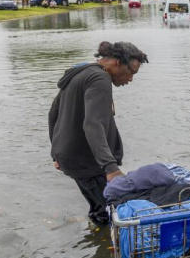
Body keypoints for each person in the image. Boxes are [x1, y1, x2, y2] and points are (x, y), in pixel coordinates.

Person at [49, 41, 149, 225]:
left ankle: (98, 246)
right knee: (113, 213)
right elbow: (93, 125)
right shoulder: (99, 79)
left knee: (99, 208)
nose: (130, 79)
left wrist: (56, 152)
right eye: (132, 72)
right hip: (88, 161)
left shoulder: (80, 72)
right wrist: (110, 169)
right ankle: (110, 247)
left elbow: (53, 113)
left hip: (71, 157)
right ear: (117, 62)